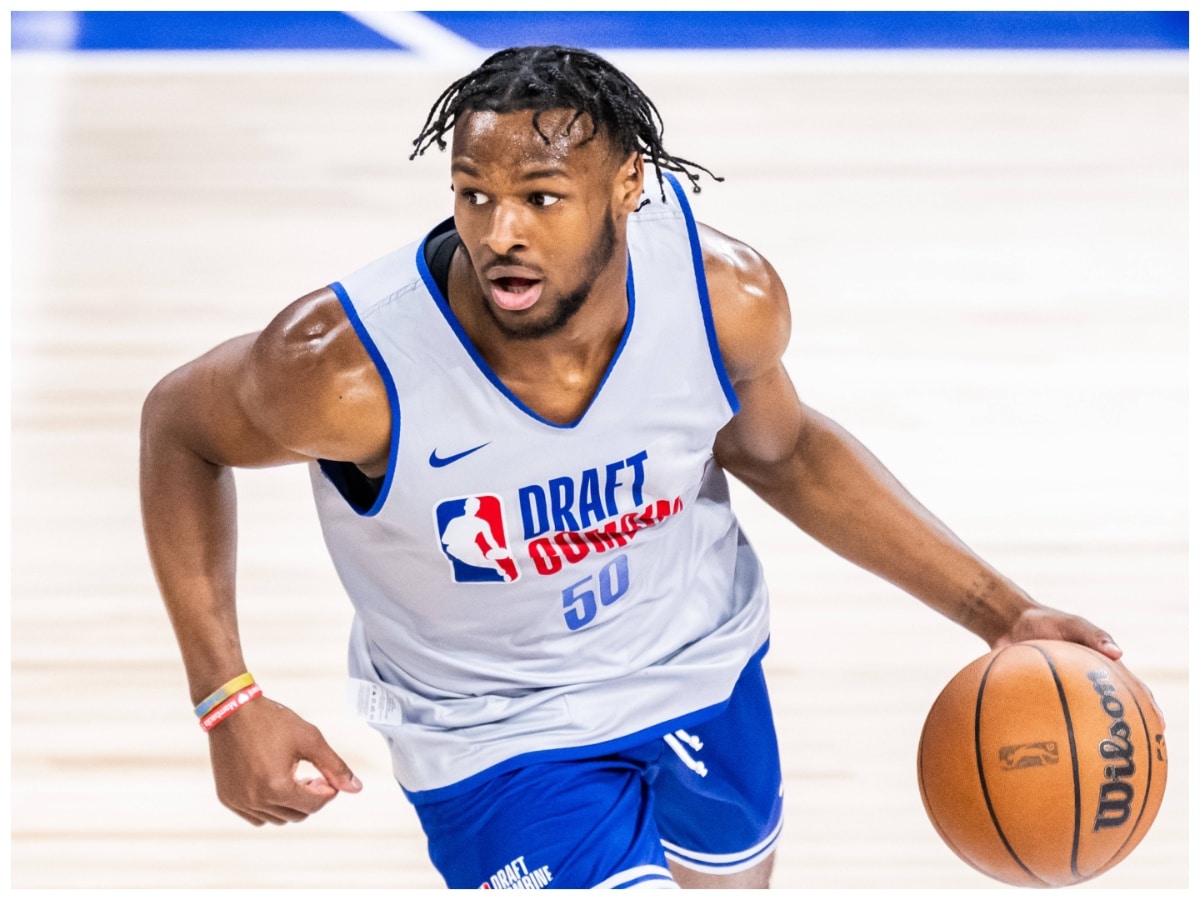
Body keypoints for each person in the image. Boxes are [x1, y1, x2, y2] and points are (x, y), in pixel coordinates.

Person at [139, 45, 1125, 890]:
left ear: (629, 187)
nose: (499, 234)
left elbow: (785, 453)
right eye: (473, 196)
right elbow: (179, 427)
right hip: (494, 732)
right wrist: (226, 696)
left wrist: (1002, 614)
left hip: (701, 663)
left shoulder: (721, 297)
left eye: (540, 199)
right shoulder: (346, 369)